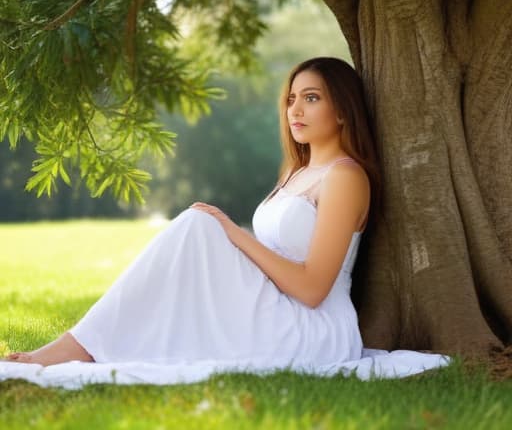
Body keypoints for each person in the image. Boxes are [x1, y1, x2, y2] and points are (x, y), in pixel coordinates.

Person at [5, 57, 379, 372]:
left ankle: (79, 347)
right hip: (274, 305)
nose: (295, 110)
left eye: (311, 98)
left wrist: (232, 234)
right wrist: (226, 237)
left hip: (312, 329)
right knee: (197, 226)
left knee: (200, 224)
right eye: (292, 98)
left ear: (343, 110)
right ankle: (85, 343)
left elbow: (313, 290)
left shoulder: (345, 177)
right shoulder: (295, 174)